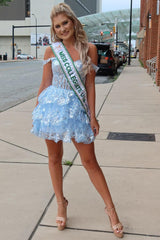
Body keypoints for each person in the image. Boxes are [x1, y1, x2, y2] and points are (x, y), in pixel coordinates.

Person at [31, 3, 123, 238]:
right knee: (54, 158)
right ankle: (61, 203)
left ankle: (111, 210)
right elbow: (45, 82)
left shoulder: (89, 48)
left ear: (73, 22)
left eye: (65, 23)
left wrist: (93, 115)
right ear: (54, 29)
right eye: (57, 26)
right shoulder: (52, 50)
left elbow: (90, 85)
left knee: (90, 161)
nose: (62, 29)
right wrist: (39, 108)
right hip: (53, 107)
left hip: (77, 109)